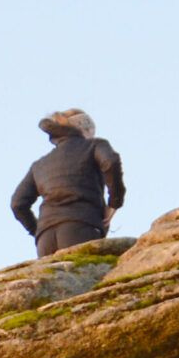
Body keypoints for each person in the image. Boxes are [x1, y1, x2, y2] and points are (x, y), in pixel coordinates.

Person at [11, 108, 126, 255]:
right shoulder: (94, 145)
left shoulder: (39, 165)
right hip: (81, 226)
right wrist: (114, 203)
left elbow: (17, 204)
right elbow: (110, 162)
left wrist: (38, 230)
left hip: (45, 240)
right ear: (87, 129)